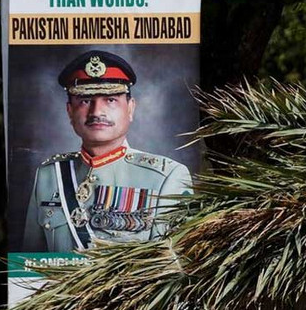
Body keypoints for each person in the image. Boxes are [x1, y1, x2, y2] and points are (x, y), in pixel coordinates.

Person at [22, 50, 192, 252]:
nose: (96, 112)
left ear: (130, 108)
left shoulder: (167, 177)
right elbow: (28, 265)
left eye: (110, 100)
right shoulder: (48, 175)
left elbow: (176, 267)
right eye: (85, 101)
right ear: (70, 111)